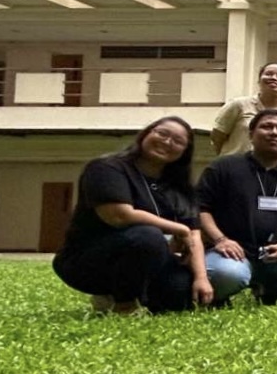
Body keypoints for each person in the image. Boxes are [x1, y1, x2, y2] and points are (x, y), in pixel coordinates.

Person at [52, 117, 212, 314]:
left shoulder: (180, 187)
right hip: (88, 260)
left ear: (184, 152)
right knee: (148, 236)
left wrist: (201, 278)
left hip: (153, 259)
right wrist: (178, 228)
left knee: (182, 295)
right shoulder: (107, 168)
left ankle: (137, 295)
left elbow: (194, 234)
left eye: (178, 141)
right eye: (162, 134)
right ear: (146, 133)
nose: (167, 142)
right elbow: (118, 216)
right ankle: (123, 304)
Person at [197, 110, 277, 305]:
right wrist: (220, 240)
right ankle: (221, 296)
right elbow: (201, 208)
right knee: (228, 274)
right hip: (230, 252)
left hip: (275, 255)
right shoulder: (223, 167)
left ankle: (267, 289)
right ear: (251, 134)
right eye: (267, 126)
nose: (274, 132)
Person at [210, 62, 277, 155]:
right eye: (269, 74)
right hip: (234, 166)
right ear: (259, 81)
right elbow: (217, 136)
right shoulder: (238, 104)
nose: (274, 78)